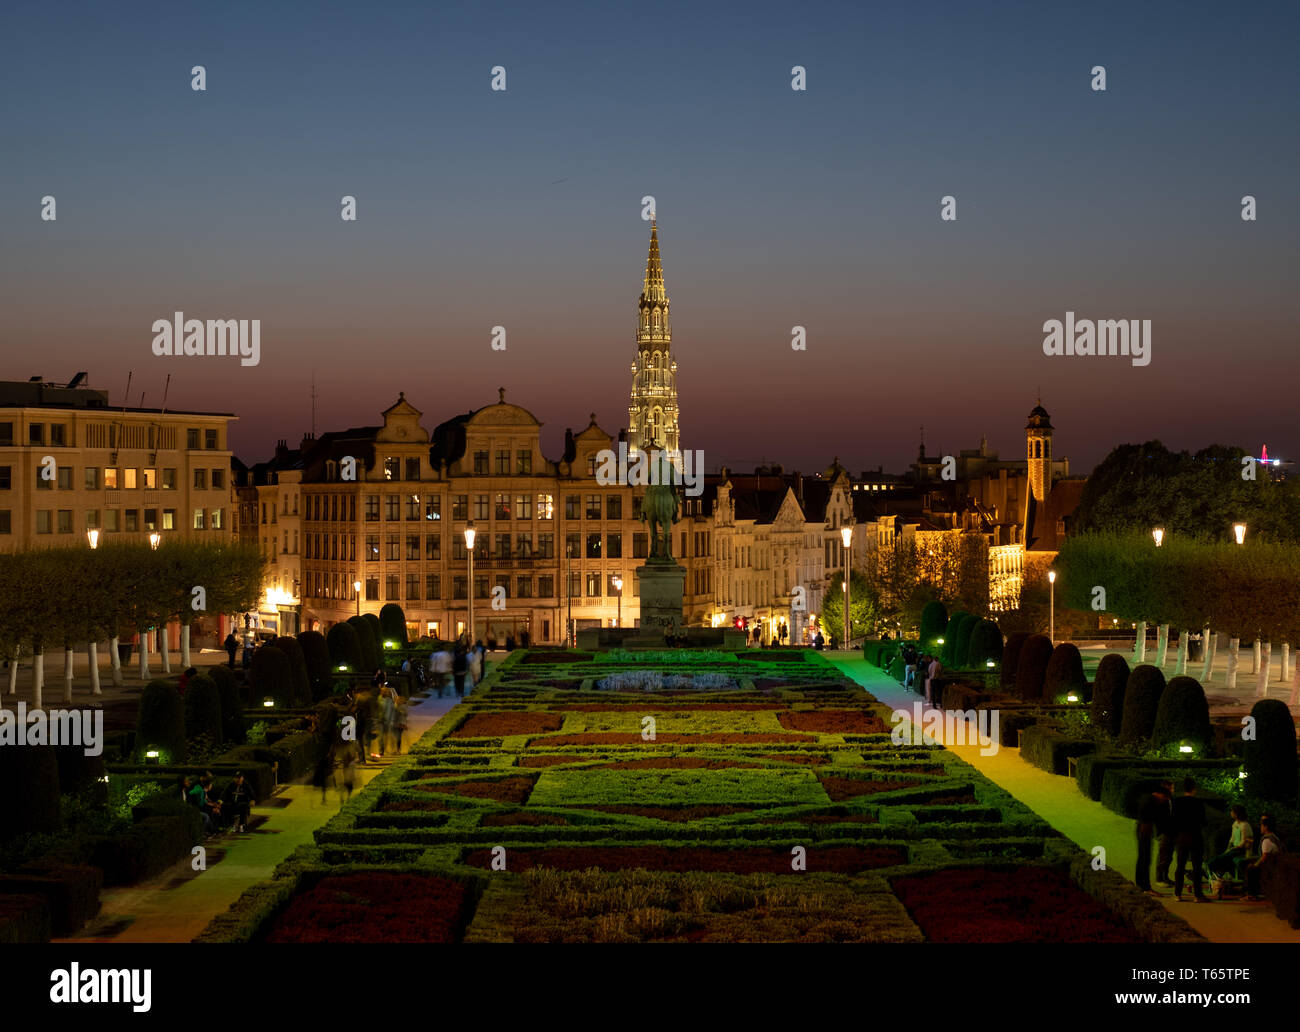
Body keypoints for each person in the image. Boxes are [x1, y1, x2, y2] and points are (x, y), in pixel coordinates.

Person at [1171, 777, 1210, 902]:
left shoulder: (1177, 802)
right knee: (1197, 866)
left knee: (1180, 865)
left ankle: (1178, 893)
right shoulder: (1198, 803)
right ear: (1194, 788)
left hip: (1182, 836)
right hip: (1195, 836)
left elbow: (1174, 819)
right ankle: (1198, 895)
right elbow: (1203, 821)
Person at [1136, 782, 1171, 893]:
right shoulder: (1150, 801)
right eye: (1164, 799)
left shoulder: (1147, 798)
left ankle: (1140, 884)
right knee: (1145, 859)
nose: (1163, 801)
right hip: (1144, 832)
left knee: (1143, 858)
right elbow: (1151, 819)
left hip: (1143, 831)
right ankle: (1145, 886)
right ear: (1160, 794)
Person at [1209, 805, 1254, 891]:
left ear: (1236, 814)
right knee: (1224, 857)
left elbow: (1244, 841)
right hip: (1235, 848)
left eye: (1232, 811)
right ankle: (1216, 872)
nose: (1231, 813)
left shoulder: (1245, 825)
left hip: (1241, 850)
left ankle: (1212, 867)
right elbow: (1232, 838)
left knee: (1223, 858)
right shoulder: (1235, 824)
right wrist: (1228, 848)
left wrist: (1234, 848)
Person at [1245, 815, 1284, 900]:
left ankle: (1251, 894)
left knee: (1251, 869)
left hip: (1271, 867)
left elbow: (1264, 857)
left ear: (1266, 827)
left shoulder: (1267, 840)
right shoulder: (1274, 837)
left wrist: (1255, 865)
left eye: (1262, 826)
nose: (1260, 828)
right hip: (1274, 864)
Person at [1154, 779, 1176, 886]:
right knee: (1163, 856)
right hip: (1164, 832)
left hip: (1171, 832)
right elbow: (1159, 818)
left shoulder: (1170, 799)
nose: (1172, 790)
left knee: (1169, 856)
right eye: (1171, 788)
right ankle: (1159, 879)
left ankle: (1165, 877)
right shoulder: (1160, 801)